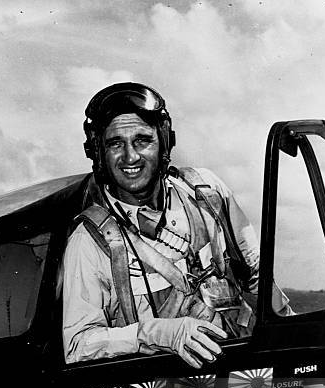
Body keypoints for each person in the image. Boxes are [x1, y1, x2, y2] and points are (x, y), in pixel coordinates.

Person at [63, 82, 290, 368]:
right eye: (115, 143)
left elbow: (256, 275)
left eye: (142, 140)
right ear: (99, 152)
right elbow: (77, 345)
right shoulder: (90, 241)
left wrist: (293, 335)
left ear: (163, 142)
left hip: (245, 369)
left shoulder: (205, 193)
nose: (130, 157)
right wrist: (156, 334)